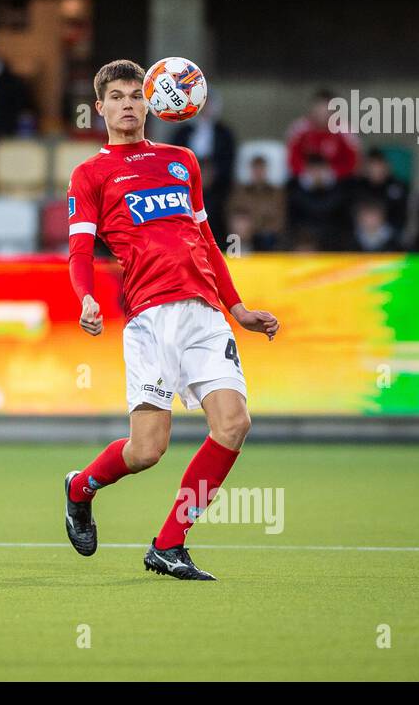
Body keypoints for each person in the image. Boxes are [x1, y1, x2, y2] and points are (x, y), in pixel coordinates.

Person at [63, 60, 279, 582]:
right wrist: (87, 298)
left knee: (234, 424)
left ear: (153, 101)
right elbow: (78, 250)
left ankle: (169, 545)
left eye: (137, 94)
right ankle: (79, 489)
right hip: (151, 318)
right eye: (117, 96)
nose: (129, 104)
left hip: (204, 312)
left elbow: (206, 240)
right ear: (101, 108)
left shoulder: (181, 161)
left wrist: (239, 308)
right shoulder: (90, 174)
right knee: (147, 450)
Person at [163, 95, 236, 229]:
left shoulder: (224, 133)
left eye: (207, 105)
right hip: (185, 182)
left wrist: (213, 174)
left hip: (216, 187)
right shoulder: (181, 132)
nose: (204, 109)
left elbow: (228, 160)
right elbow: (171, 159)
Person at [286, 89, 359, 181]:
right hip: (304, 179)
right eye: (318, 109)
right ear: (312, 109)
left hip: (338, 180)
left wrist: (332, 174)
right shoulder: (299, 128)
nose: (321, 114)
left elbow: (352, 162)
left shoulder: (345, 129)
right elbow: (292, 158)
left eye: (325, 109)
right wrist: (306, 173)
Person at [286, 154, 352, 250]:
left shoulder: (340, 190)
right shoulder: (295, 191)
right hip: (304, 243)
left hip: (333, 243)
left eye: (320, 169)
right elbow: (292, 223)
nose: (317, 174)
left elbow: (344, 223)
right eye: (313, 170)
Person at [226, 154, 285, 251]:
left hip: (268, 238)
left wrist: (255, 229)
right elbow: (231, 214)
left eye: (261, 169)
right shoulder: (240, 192)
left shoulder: (276, 194)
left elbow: (279, 220)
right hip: (242, 237)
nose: (258, 173)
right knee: (235, 235)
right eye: (255, 169)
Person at [348, 148, 409, 234]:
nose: (375, 169)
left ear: (386, 166)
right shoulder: (357, 186)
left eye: (378, 165)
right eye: (372, 166)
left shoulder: (398, 187)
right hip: (359, 233)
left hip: (390, 234)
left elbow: (401, 215)